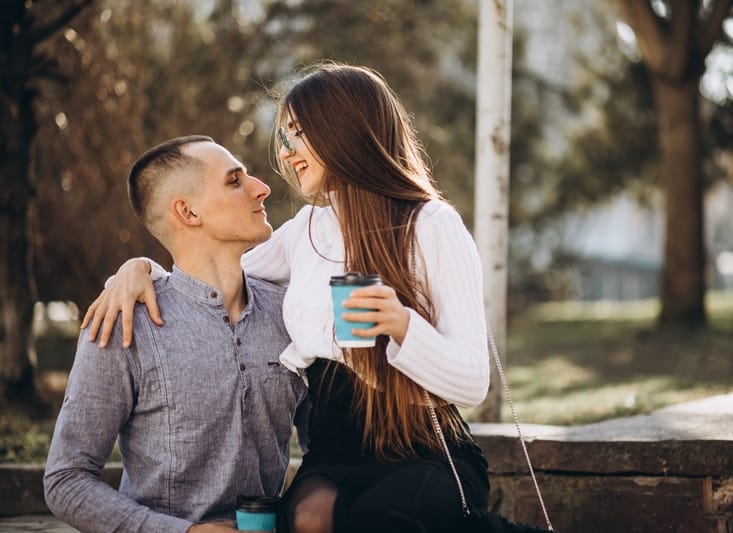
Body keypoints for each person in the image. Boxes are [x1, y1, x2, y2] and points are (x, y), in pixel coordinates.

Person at [82, 63, 491, 533]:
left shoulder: (432, 225)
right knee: (302, 521)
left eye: (298, 134)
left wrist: (402, 325)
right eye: (284, 137)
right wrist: (138, 270)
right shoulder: (306, 231)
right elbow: (213, 272)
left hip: (421, 442)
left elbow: (473, 382)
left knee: (379, 520)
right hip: (336, 444)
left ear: (344, 129)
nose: (286, 151)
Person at [44, 135, 307, 533]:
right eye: (234, 181)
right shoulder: (125, 322)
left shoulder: (290, 312)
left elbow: (325, 450)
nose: (261, 187)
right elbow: (66, 480)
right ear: (187, 211)